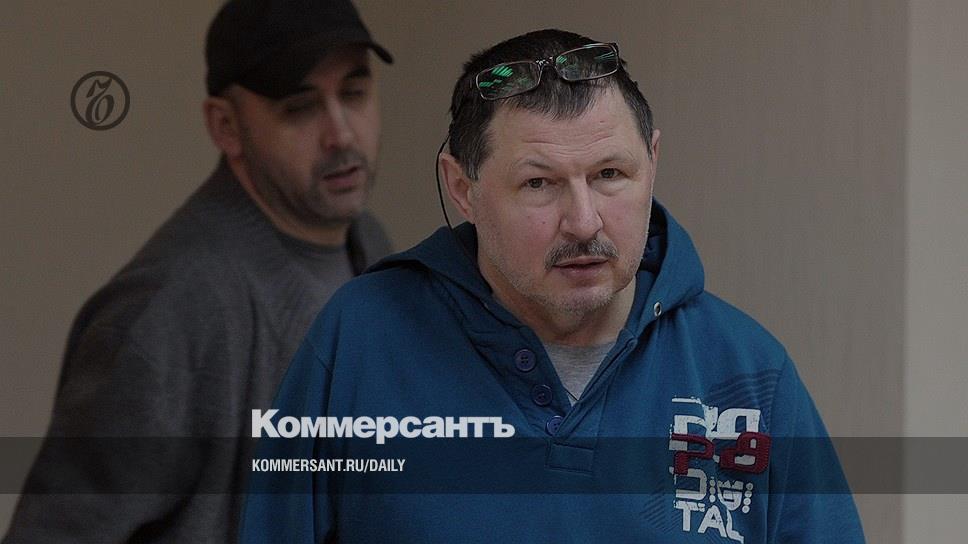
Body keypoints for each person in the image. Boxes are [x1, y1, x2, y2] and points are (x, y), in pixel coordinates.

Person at [240, 29, 865, 543]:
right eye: (538, 183)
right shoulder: (359, 341)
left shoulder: (748, 373)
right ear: (462, 189)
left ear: (652, 163)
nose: (584, 221)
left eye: (610, 174)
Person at [4, 1, 393, 542]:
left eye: (354, 92)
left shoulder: (369, 245)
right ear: (226, 126)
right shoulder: (170, 310)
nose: (342, 135)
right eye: (300, 107)